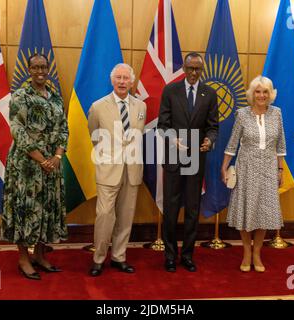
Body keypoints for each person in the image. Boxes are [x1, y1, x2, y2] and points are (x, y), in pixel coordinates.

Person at [0, 54, 68, 280]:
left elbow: (64, 129)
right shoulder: (20, 96)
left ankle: (40, 255)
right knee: (25, 208)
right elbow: (18, 131)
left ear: (48, 69)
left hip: (51, 164)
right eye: (35, 67)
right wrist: (42, 160)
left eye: (43, 66)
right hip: (26, 165)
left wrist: (57, 157)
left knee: (47, 208)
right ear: (29, 70)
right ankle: (23, 258)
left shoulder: (56, 98)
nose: (40, 70)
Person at [157, 52, 218, 272]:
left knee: (193, 209)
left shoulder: (209, 94)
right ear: (183, 68)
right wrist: (173, 140)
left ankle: (188, 255)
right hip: (174, 156)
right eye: (190, 68)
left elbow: (213, 126)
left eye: (197, 69)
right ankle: (170, 255)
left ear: (202, 71)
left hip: (196, 157)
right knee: (171, 209)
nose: (193, 73)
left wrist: (209, 141)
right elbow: (162, 125)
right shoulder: (170, 91)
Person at [221, 75, 286, 273]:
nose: (261, 95)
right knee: (245, 210)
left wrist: (280, 169)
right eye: (257, 91)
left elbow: (280, 144)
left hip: (268, 169)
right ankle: (246, 253)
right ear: (252, 94)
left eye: (265, 92)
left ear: (270, 94)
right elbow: (233, 143)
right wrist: (224, 167)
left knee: (264, 212)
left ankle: (257, 253)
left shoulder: (277, 113)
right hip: (246, 168)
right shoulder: (242, 114)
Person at [87, 63, 147, 277]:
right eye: (118, 78)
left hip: (132, 170)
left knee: (125, 216)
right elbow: (94, 135)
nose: (122, 82)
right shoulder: (98, 106)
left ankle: (119, 257)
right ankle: (98, 259)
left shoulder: (141, 107)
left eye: (126, 78)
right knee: (104, 215)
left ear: (132, 82)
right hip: (107, 169)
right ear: (112, 81)